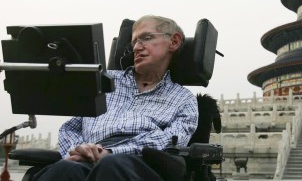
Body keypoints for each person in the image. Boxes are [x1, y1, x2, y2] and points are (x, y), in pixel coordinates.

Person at [32, 15, 199, 181]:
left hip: (139, 164)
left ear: (174, 41)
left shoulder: (184, 100)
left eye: (146, 38)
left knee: (111, 165)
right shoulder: (103, 81)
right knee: (66, 169)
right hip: (88, 157)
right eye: (134, 42)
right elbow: (70, 128)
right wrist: (77, 151)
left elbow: (170, 141)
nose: (136, 48)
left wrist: (111, 152)